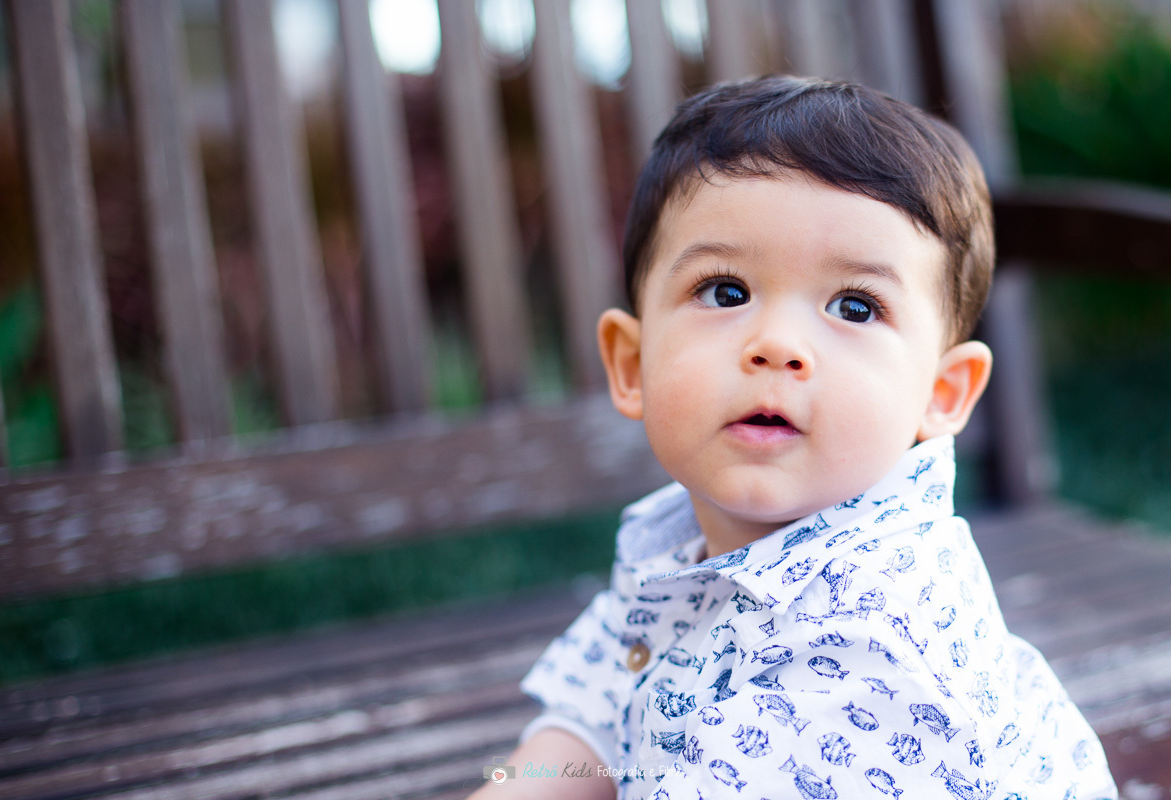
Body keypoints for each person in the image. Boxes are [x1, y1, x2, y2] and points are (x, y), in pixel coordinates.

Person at [468, 75, 1117, 800]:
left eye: (854, 305)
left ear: (940, 394)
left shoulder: (880, 648)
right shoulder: (673, 541)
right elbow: (590, 723)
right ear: (631, 365)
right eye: (726, 291)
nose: (777, 344)